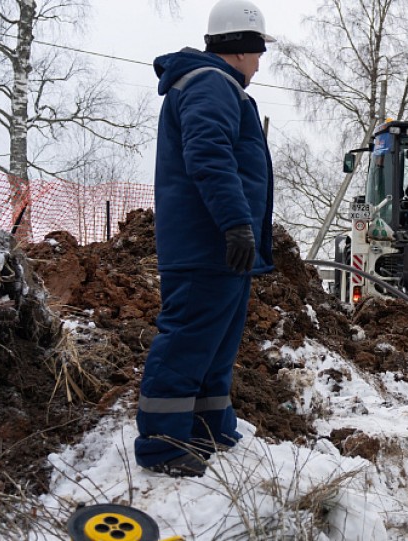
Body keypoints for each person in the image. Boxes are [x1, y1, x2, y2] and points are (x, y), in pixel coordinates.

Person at [134, 0, 276, 478]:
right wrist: (236, 223)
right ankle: (163, 443)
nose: (260, 61)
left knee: (217, 339)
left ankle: (209, 425)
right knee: (190, 337)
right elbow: (209, 154)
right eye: (258, 51)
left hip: (221, 246)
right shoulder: (212, 83)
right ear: (242, 46)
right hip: (206, 242)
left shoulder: (219, 86)